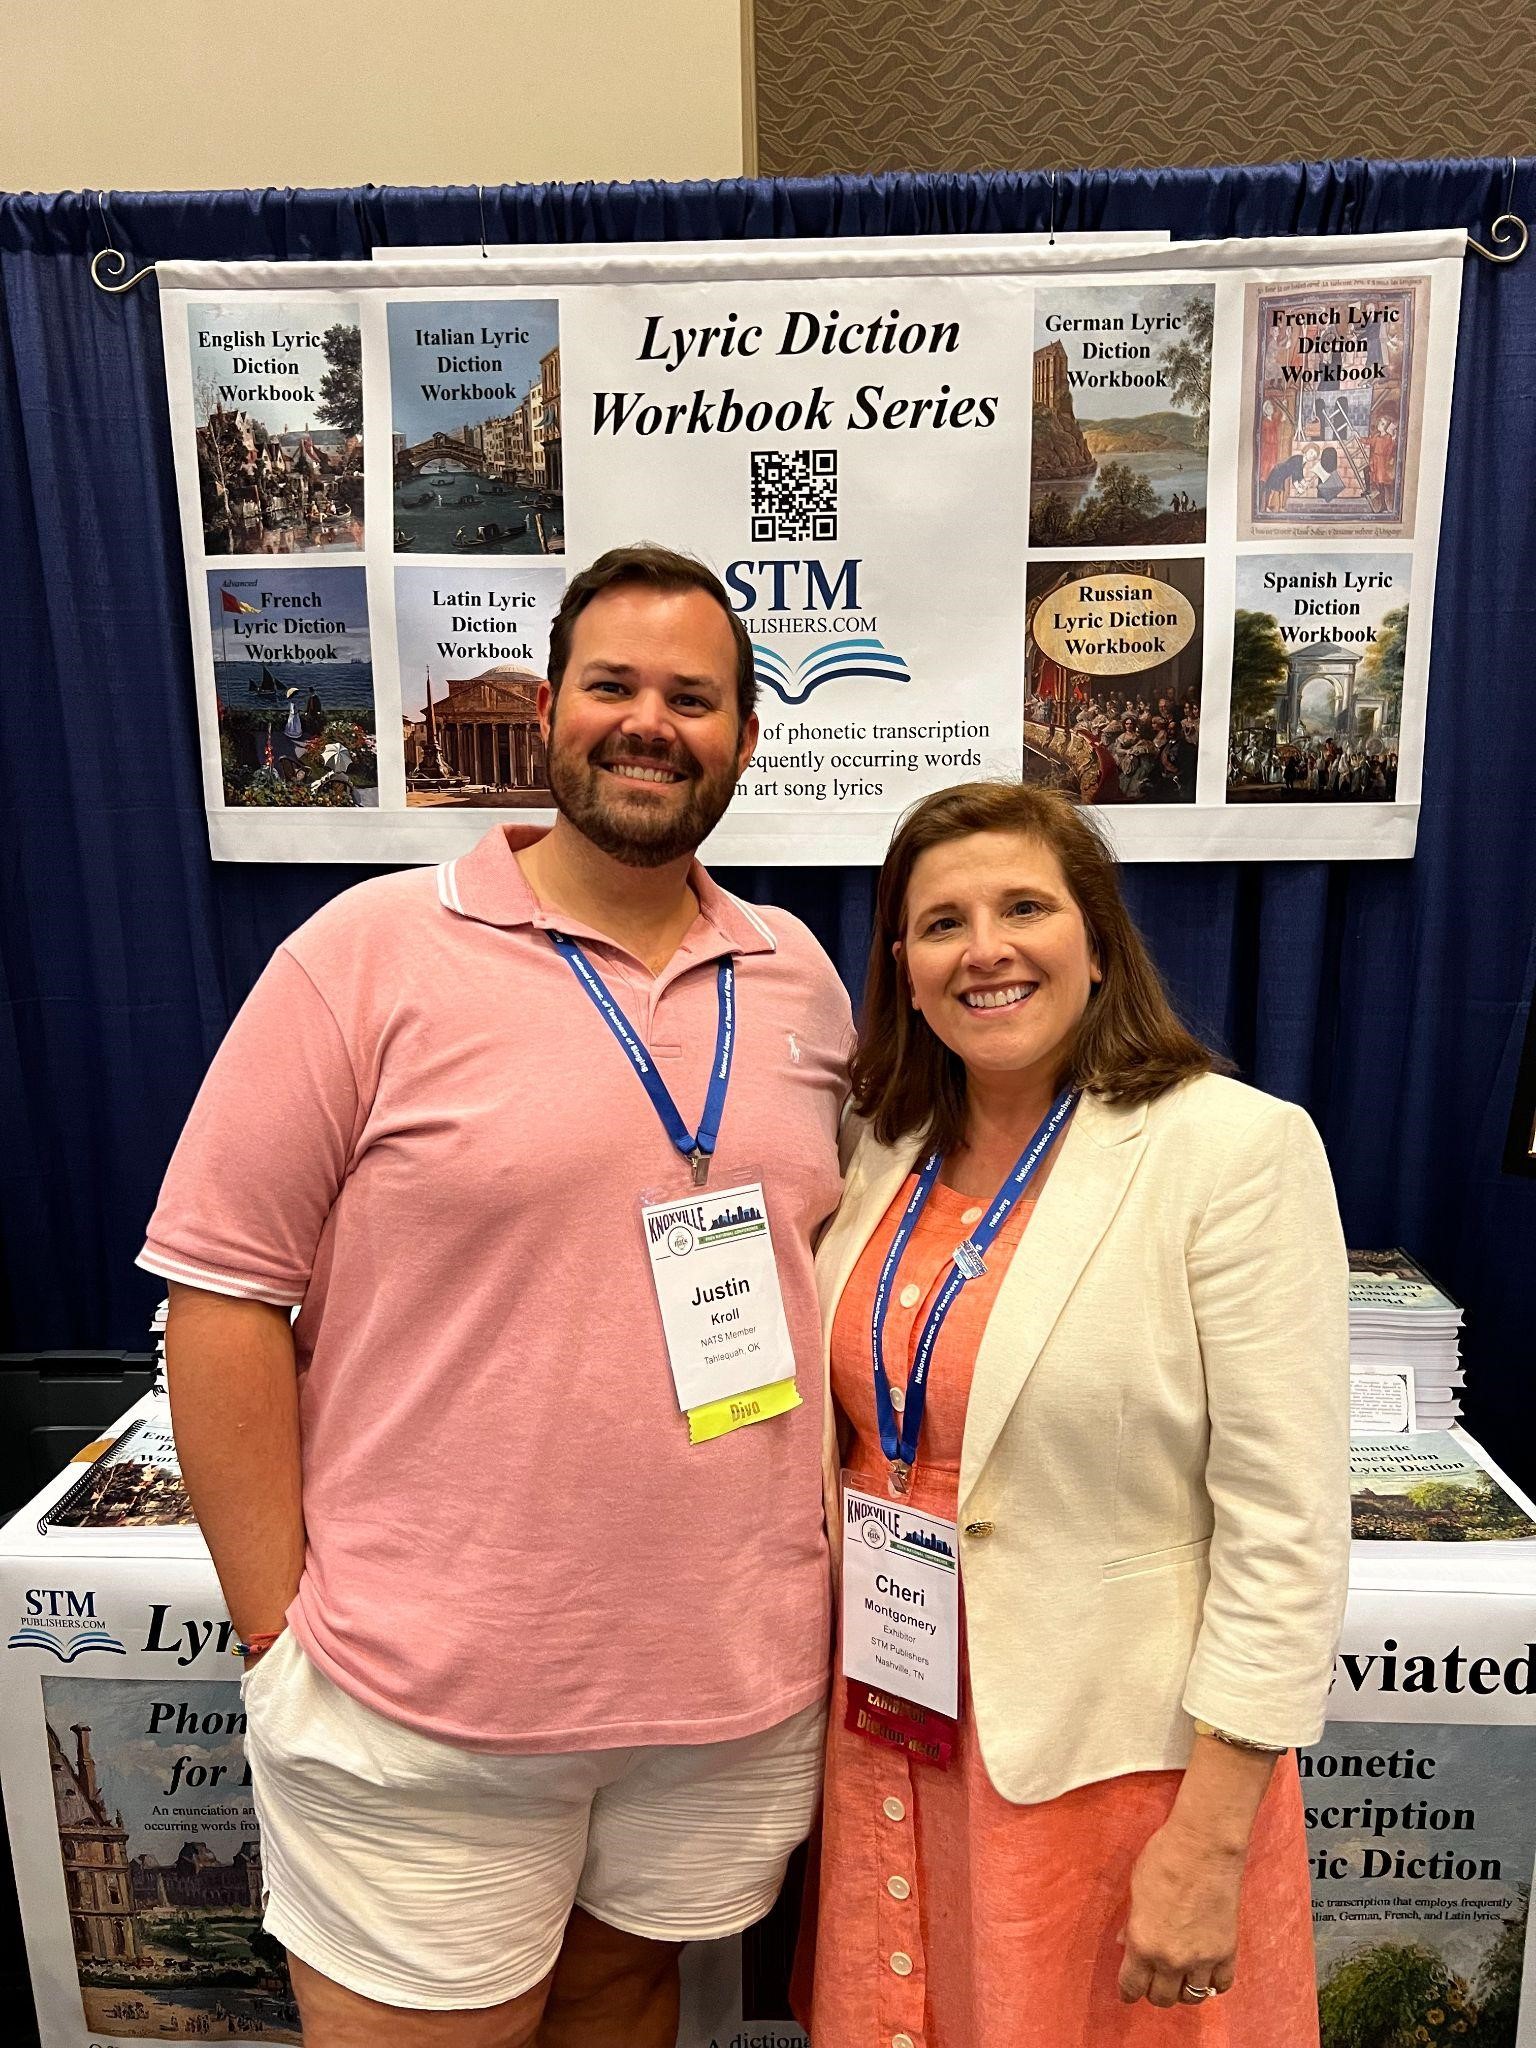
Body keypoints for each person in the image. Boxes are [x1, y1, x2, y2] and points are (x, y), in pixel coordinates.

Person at [140, 545, 853, 2048]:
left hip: (723, 1688)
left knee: (625, 2001)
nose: (649, 722)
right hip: (420, 1697)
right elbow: (218, 1298)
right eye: (614, 685)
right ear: (548, 712)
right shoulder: (364, 954)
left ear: (744, 735)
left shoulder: (798, 977)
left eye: (693, 696)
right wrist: (279, 1636)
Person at [802, 780, 1349, 2047]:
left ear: (1097, 942)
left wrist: (1211, 1837)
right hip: (895, 1728)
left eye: (1024, 906)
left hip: (1122, 1774)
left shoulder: (1232, 1150)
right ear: (904, 966)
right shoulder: (876, 1146)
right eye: (942, 921)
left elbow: (1287, 1522)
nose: (983, 946)